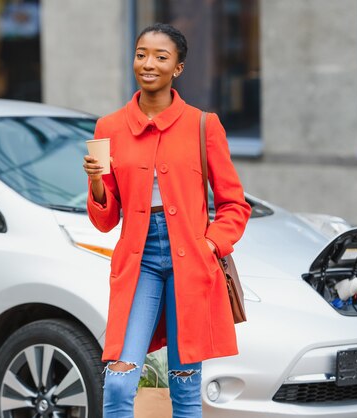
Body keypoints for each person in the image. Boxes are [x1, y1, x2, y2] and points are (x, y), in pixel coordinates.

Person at [83, 23, 251, 418]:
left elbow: (234, 205)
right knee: (121, 381)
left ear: (178, 68)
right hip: (139, 260)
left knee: (185, 386)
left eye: (161, 57)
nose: (148, 63)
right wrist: (95, 181)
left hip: (190, 261)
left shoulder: (202, 125)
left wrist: (209, 245)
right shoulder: (109, 127)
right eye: (141, 54)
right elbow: (105, 221)